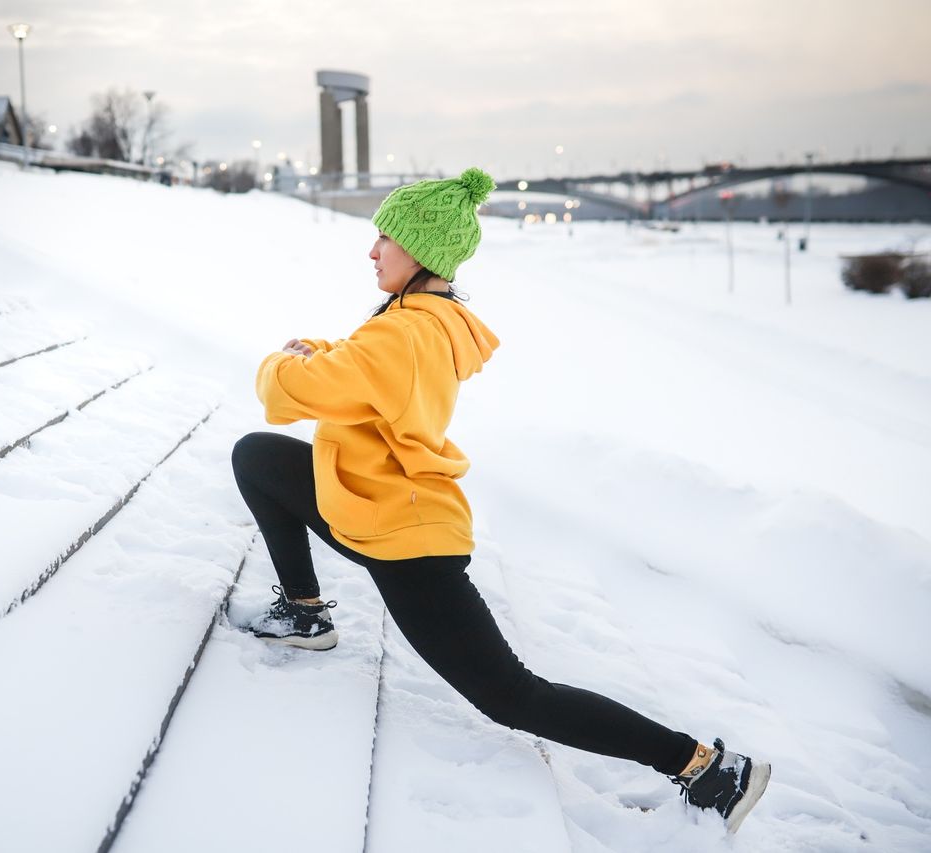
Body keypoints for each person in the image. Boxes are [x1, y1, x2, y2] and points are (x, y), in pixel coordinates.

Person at [230, 168, 770, 833]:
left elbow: (288, 391)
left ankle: (705, 766)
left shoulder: (404, 334)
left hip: (408, 545)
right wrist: (315, 351)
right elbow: (348, 361)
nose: (372, 252)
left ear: (422, 251)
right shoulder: (417, 317)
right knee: (257, 457)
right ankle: (305, 613)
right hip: (372, 508)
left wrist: (283, 358)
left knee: (512, 695)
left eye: (386, 239)